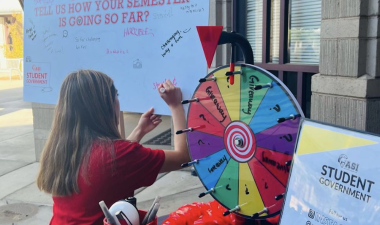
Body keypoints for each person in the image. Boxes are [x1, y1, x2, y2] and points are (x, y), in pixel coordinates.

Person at [36, 70, 189, 225]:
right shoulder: (118, 155)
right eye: (117, 95)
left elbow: (109, 164)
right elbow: (183, 157)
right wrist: (176, 105)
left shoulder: (60, 148)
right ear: (106, 105)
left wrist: (139, 130)